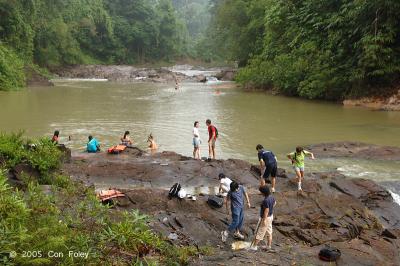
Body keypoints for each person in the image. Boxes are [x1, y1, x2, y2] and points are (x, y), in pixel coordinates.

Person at [250, 186, 276, 251]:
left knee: (260, 232)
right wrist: (271, 209)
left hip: (266, 218)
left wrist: (264, 220)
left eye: (261, 192)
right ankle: (269, 246)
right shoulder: (272, 197)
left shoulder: (265, 200)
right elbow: (275, 203)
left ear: (263, 193)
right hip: (270, 216)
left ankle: (254, 247)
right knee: (269, 232)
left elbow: (266, 210)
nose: (260, 193)